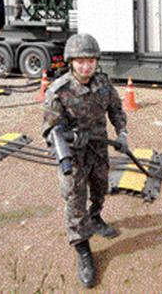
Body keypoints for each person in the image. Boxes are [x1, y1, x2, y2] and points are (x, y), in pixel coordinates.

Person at [42, 33, 129, 288]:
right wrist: (69, 141)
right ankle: (82, 249)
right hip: (74, 158)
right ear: (71, 62)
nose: (86, 66)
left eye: (90, 60)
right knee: (74, 199)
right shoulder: (59, 91)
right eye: (80, 61)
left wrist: (122, 132)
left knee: (101, 188)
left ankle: (96, 217)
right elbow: (50, 131)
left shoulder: (103, 83)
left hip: (100, 149)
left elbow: (116, 108)